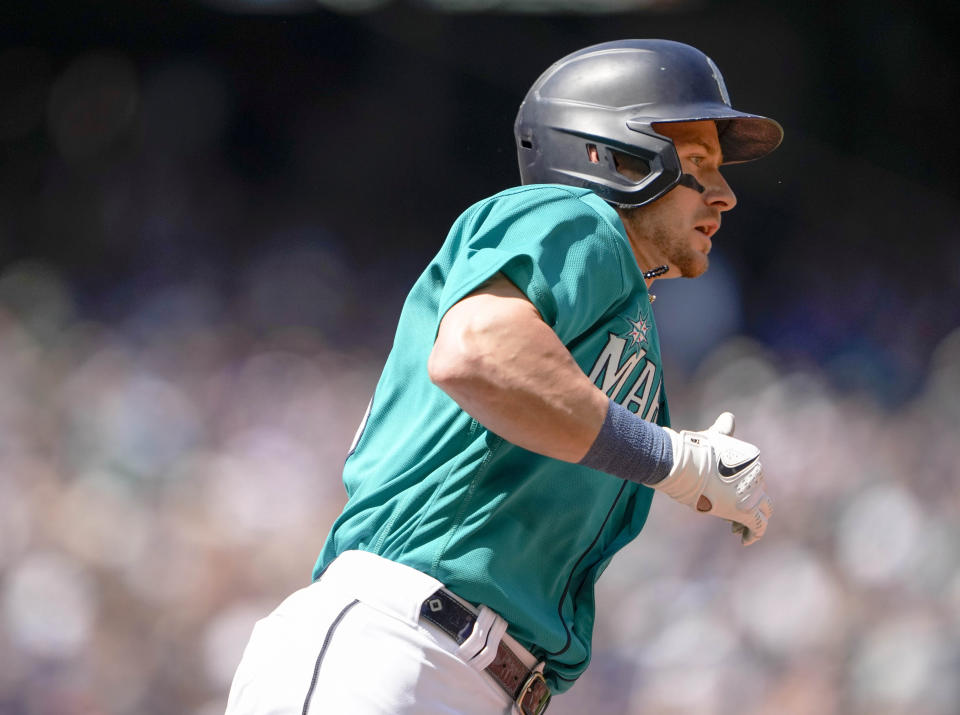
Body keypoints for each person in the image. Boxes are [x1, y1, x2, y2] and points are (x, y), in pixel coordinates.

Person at [225, 39, 781, 715]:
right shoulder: (573, 216)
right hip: (399, 648)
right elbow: (478, 353)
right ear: (609, 153)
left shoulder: (620, 317)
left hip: (465, 676)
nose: (723, 194)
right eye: (698, 163)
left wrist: (678, 463)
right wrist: (675, 458)